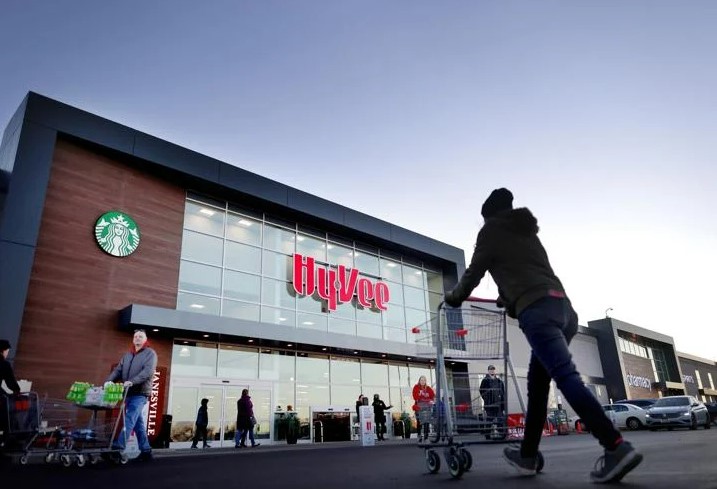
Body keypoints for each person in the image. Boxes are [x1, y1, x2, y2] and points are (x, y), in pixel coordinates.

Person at [444, 188, 642, 484]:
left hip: (538, 313)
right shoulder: (527, 234)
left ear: (489, 215)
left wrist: (455, 297)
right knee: (538, 387)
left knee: (566, 377)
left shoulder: (491, 230)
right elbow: (526, 274)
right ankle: (527, 455)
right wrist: (508, 298)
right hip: (563, 311)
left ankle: (615, 446)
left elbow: (474, 272)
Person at [105, 329, 158, 461]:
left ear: (145, 340)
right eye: (135, 336)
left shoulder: (150, 354)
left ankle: (118, 446)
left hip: (140, 393)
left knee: (129, 418)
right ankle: (146, 450)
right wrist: (107, 382)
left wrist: (132, 381)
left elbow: (148, 372)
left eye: (140, 337)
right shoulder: (128, 355)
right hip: (128, 393)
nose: (137, 338)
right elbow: (118, 370)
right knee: (137, 421)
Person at [412, 375, 435, 442]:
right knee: (419, 422)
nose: (422, 381)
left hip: (427, 407)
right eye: (421, 380)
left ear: (425, 381)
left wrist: (431, 400)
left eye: (424, 380)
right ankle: (419, 435)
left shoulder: (428, 388)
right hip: (419, 407)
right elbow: (415, 397)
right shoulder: (416, 387)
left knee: (426, 422)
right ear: (419, 381)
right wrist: (420, 394)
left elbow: (432, 396)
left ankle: (426, 437)